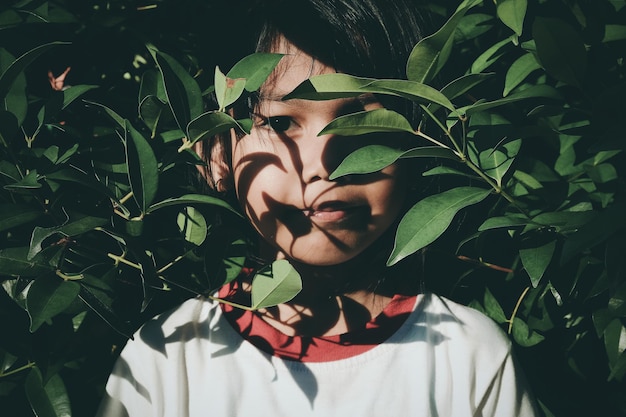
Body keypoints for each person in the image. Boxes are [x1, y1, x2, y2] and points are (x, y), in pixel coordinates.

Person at [97, 0, 539, 415]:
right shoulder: (167, 358)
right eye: (281, 122)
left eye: (364, 122)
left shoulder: (467, 356)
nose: (326, 163)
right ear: (217, 151)